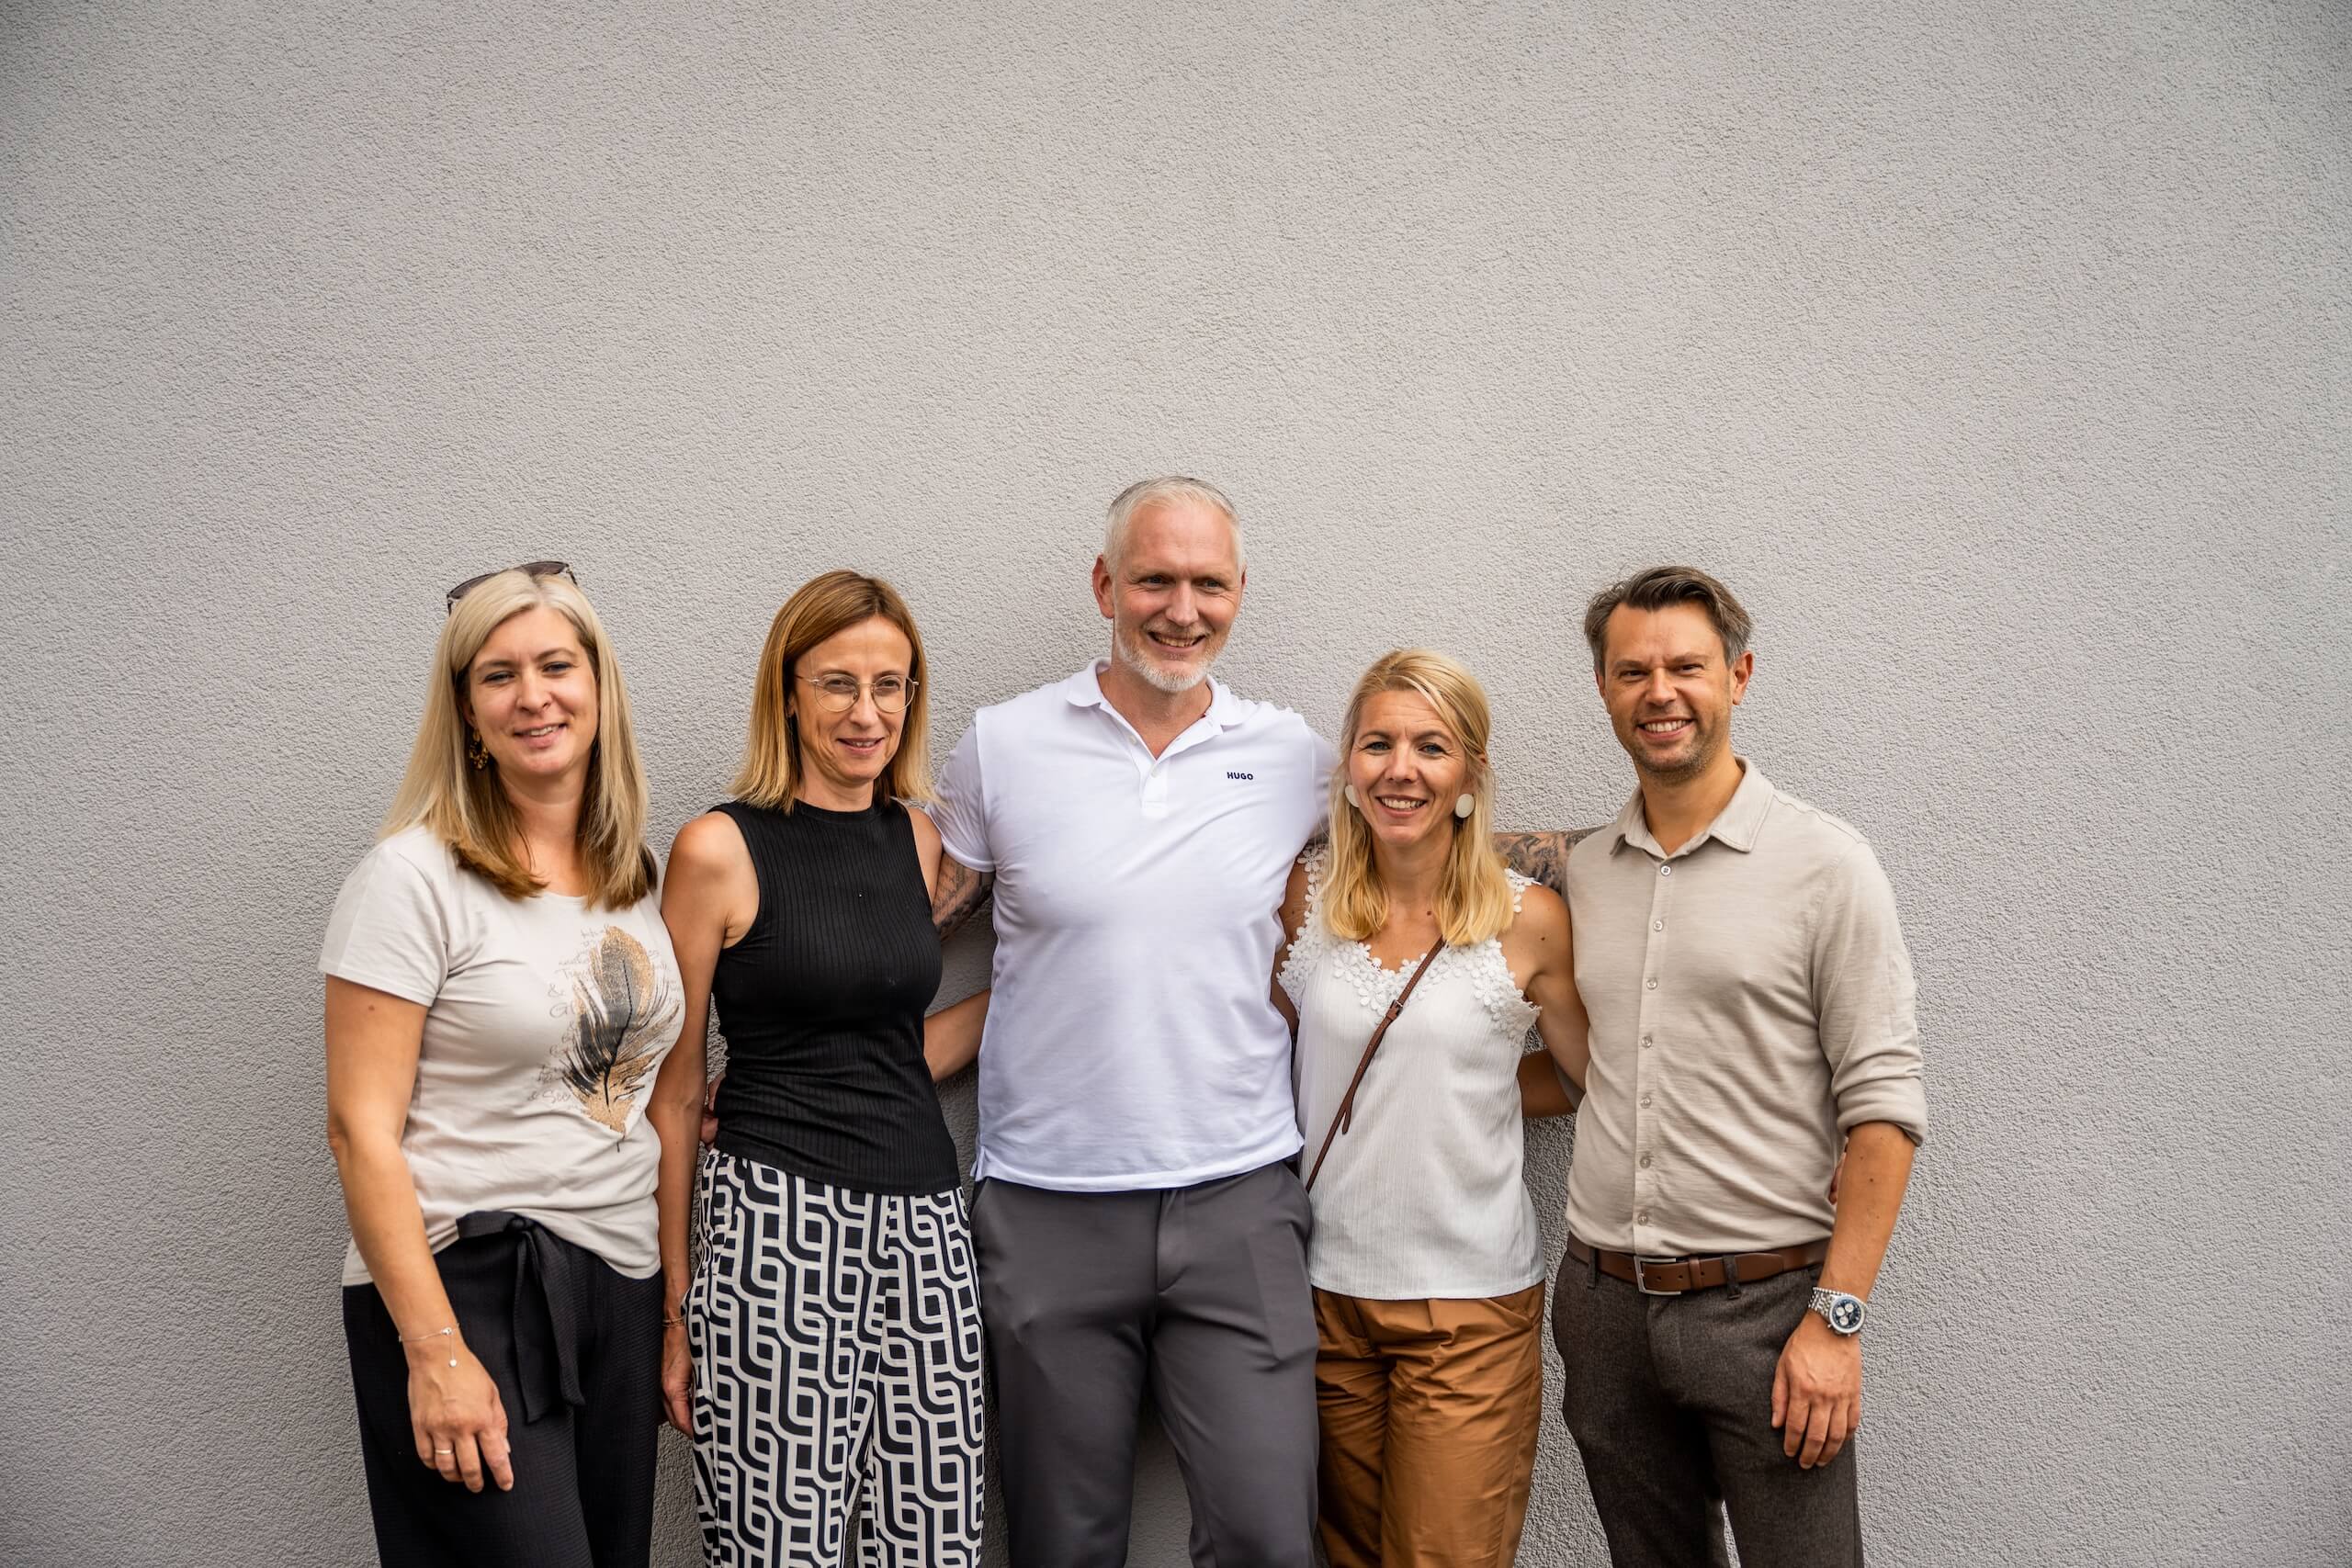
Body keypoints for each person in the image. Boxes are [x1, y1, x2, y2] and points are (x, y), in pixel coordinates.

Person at [922, 476, 1334, 1567]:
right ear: (1105, 584)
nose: (1180, 609)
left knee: (1267, 1536)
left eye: (1208, 583)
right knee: (1064, 1544)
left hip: (1240, 1196)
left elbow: (1431, 842)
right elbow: (896, 921)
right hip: (1048, 1205)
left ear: (1241, 592)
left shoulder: (1291, 756)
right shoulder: (1001, 747)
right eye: (1154, 579)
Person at [1540, 565, 1928, 1567]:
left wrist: (1834, 1324)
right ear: (1603, 689)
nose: (1658, 692)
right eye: (1631, 671)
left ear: (1739, 675)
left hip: (1767, 1313)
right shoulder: (1586, 871)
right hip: (1604, 1310)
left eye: (1685, 667)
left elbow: (1883, 1111)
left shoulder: (1824, 863)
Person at [322, 562, 685, 1567]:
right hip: (472, 1281)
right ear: (466, 712)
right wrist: (434, 1352)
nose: (535, 696)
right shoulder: (411, 877)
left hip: (616, 1276)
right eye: (499, 674)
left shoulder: (633, 878)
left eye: (558, 665)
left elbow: (628, 1081)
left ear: (600, 688)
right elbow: (359, 1130)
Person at [648, 570, 984, 1568]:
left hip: (926, 1225)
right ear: (787, 692)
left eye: (891, 684)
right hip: (775, 1225)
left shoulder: (918, 839)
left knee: (932, 1545)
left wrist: (1035, 997)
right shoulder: (718, 849)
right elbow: (671, 1095)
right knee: (777, 1546)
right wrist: (678, 1306)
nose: (866, 712)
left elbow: (888, 1050)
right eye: (837, 683)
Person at [1272, 648, 1589, 1568]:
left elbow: (1578, 1084)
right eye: (1377, 744)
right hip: (1325, 1295)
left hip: (1468, 1306)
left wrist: (1478, 1092)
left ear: (1468, 775)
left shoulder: (1527, 920)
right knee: (1348, 1556)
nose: (1400, 768)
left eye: (1429, 747)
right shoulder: (1307, 900)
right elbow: (1291, 1063)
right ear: (1348, 766)